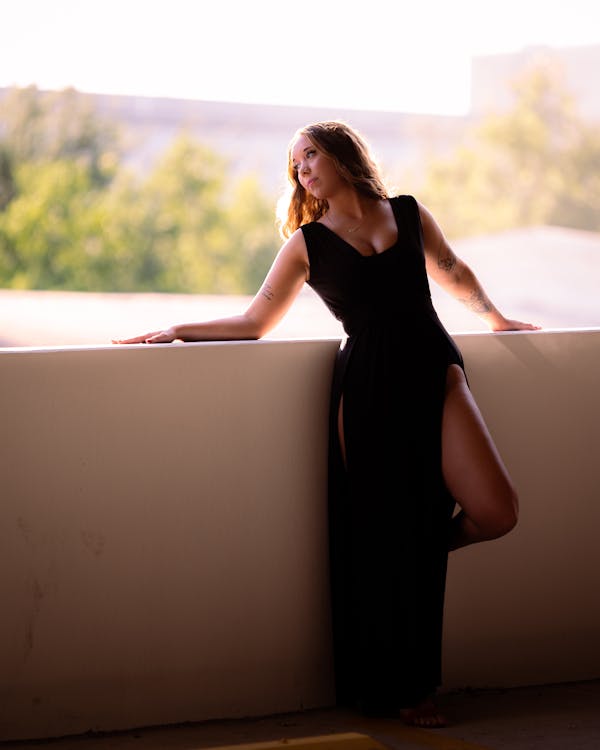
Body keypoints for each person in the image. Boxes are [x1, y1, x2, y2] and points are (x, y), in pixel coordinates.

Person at [114, 120, 540, 727]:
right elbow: (254, 322)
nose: (304, 170)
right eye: (296, 165)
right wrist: (181, 328)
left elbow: (451, 270)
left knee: (497, 509)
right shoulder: (306, 243)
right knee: (377, 543)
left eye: (310, 154)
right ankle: (406, 690)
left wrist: (496, 318)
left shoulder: (409, 213)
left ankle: (422, 561)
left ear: (342, 153)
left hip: (435, 371)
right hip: (366, 390)